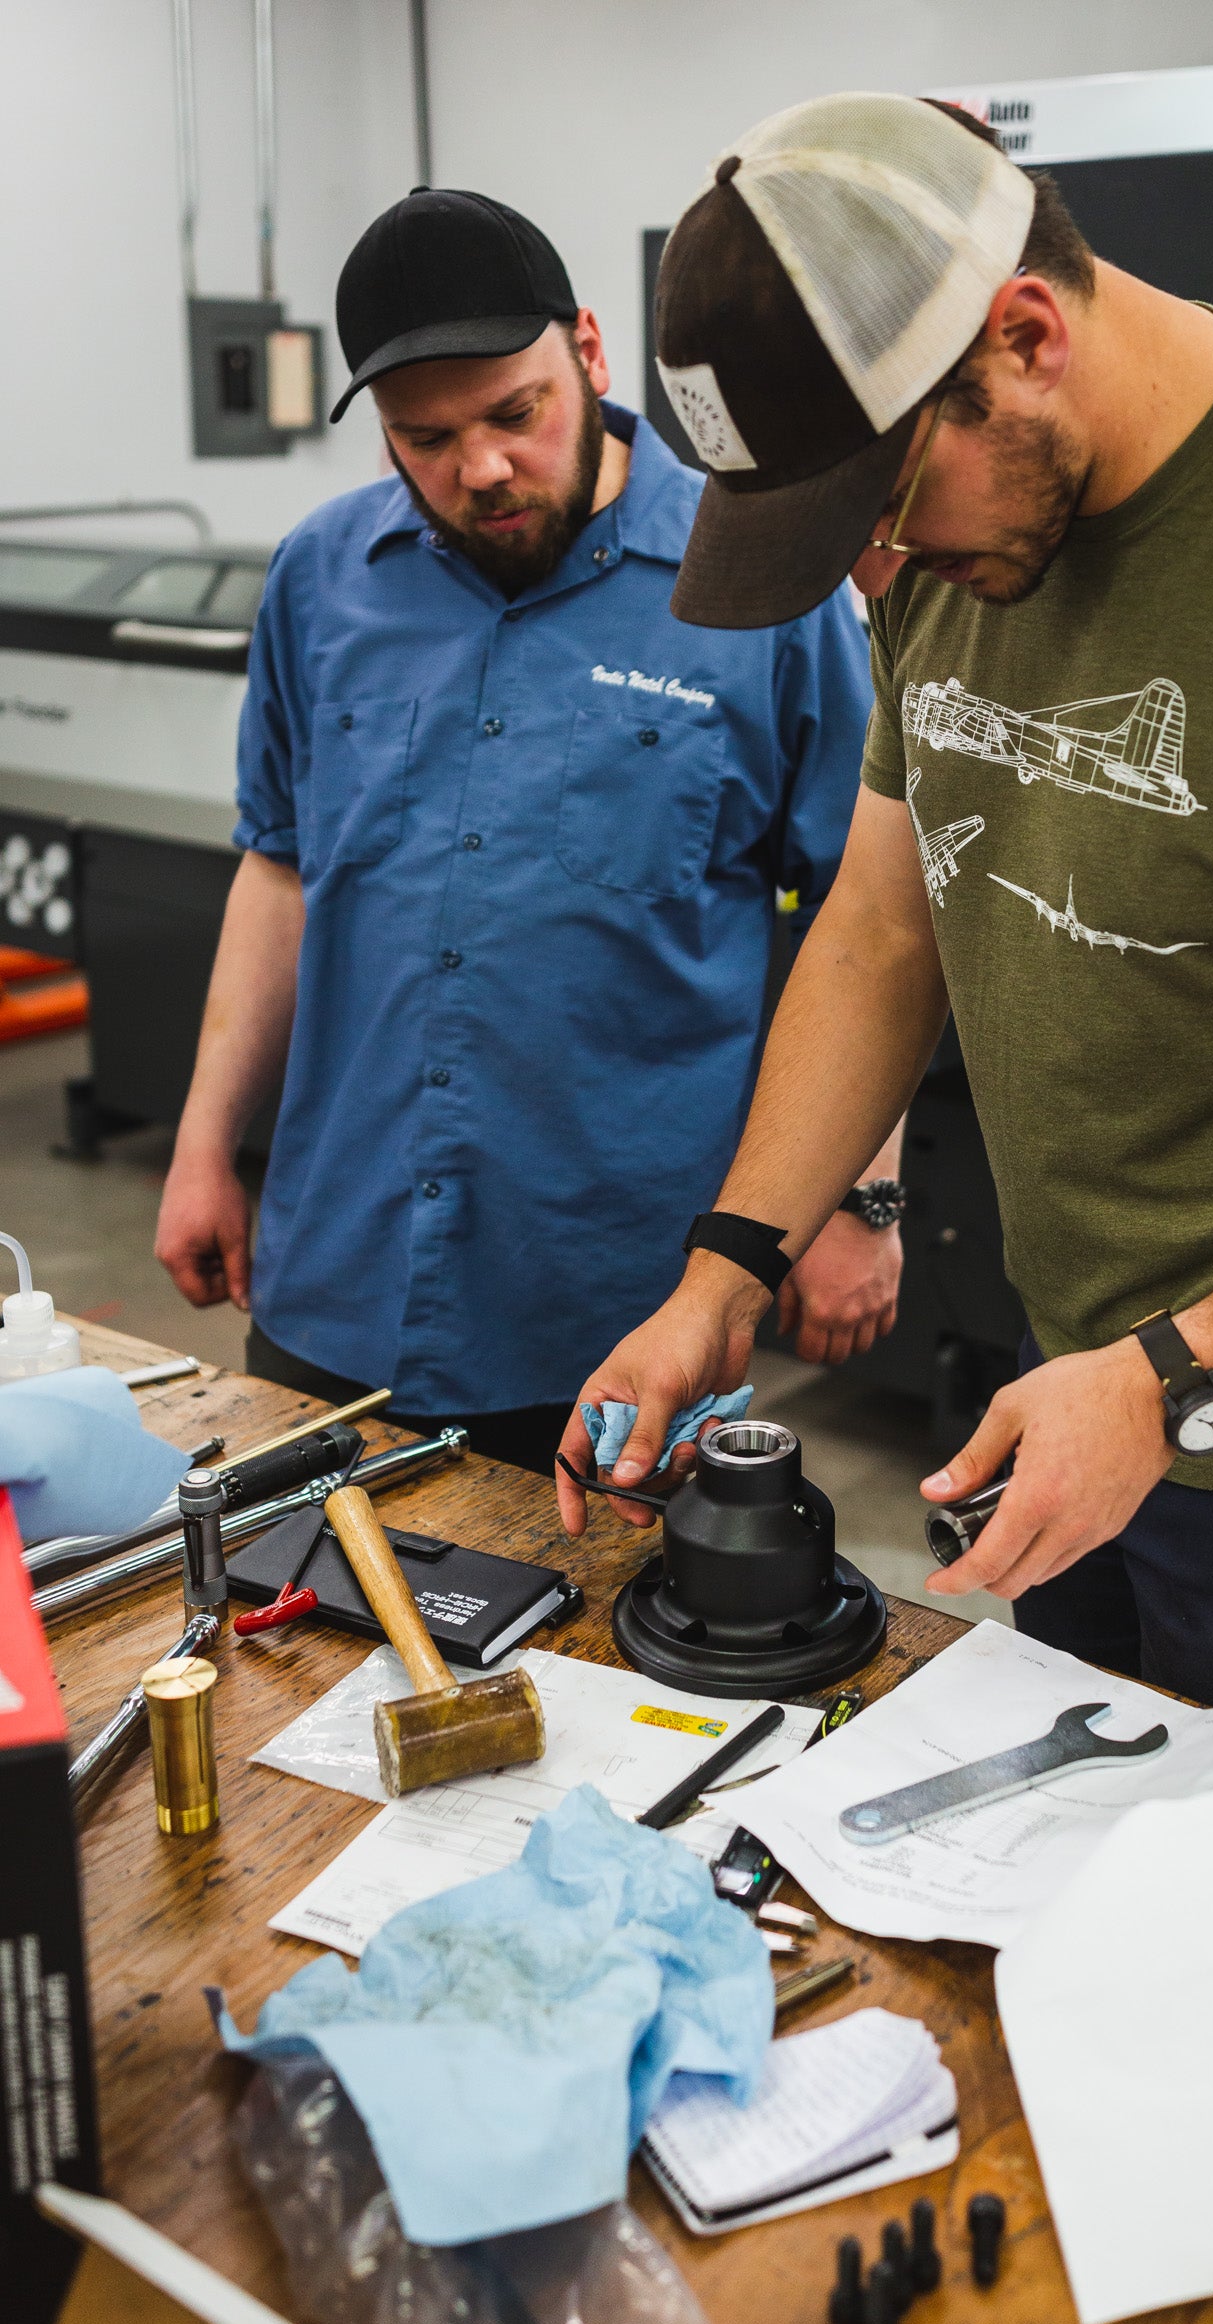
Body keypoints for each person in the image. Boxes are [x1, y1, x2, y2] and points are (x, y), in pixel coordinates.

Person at [557, 94, 1213, 1728]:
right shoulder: (968, 539)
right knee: (1054, 1866)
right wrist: (725, 1276)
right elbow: (885, 933)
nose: (868, 575)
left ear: (1024, 334)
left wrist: (1176, 1375)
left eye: (880, 515)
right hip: (1079, 1383)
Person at [154, 186, 903, 1472]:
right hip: (338, 1271)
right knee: (303, 1646)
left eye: (517, 413)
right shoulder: (320, 580)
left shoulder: (761, 590)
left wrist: (861, 1200)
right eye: (425, 437)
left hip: (623, 1304)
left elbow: (873, 916)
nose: (482, 468)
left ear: (592, 355)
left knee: (614, 1664)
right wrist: (204, 1146)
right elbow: (279, 868)